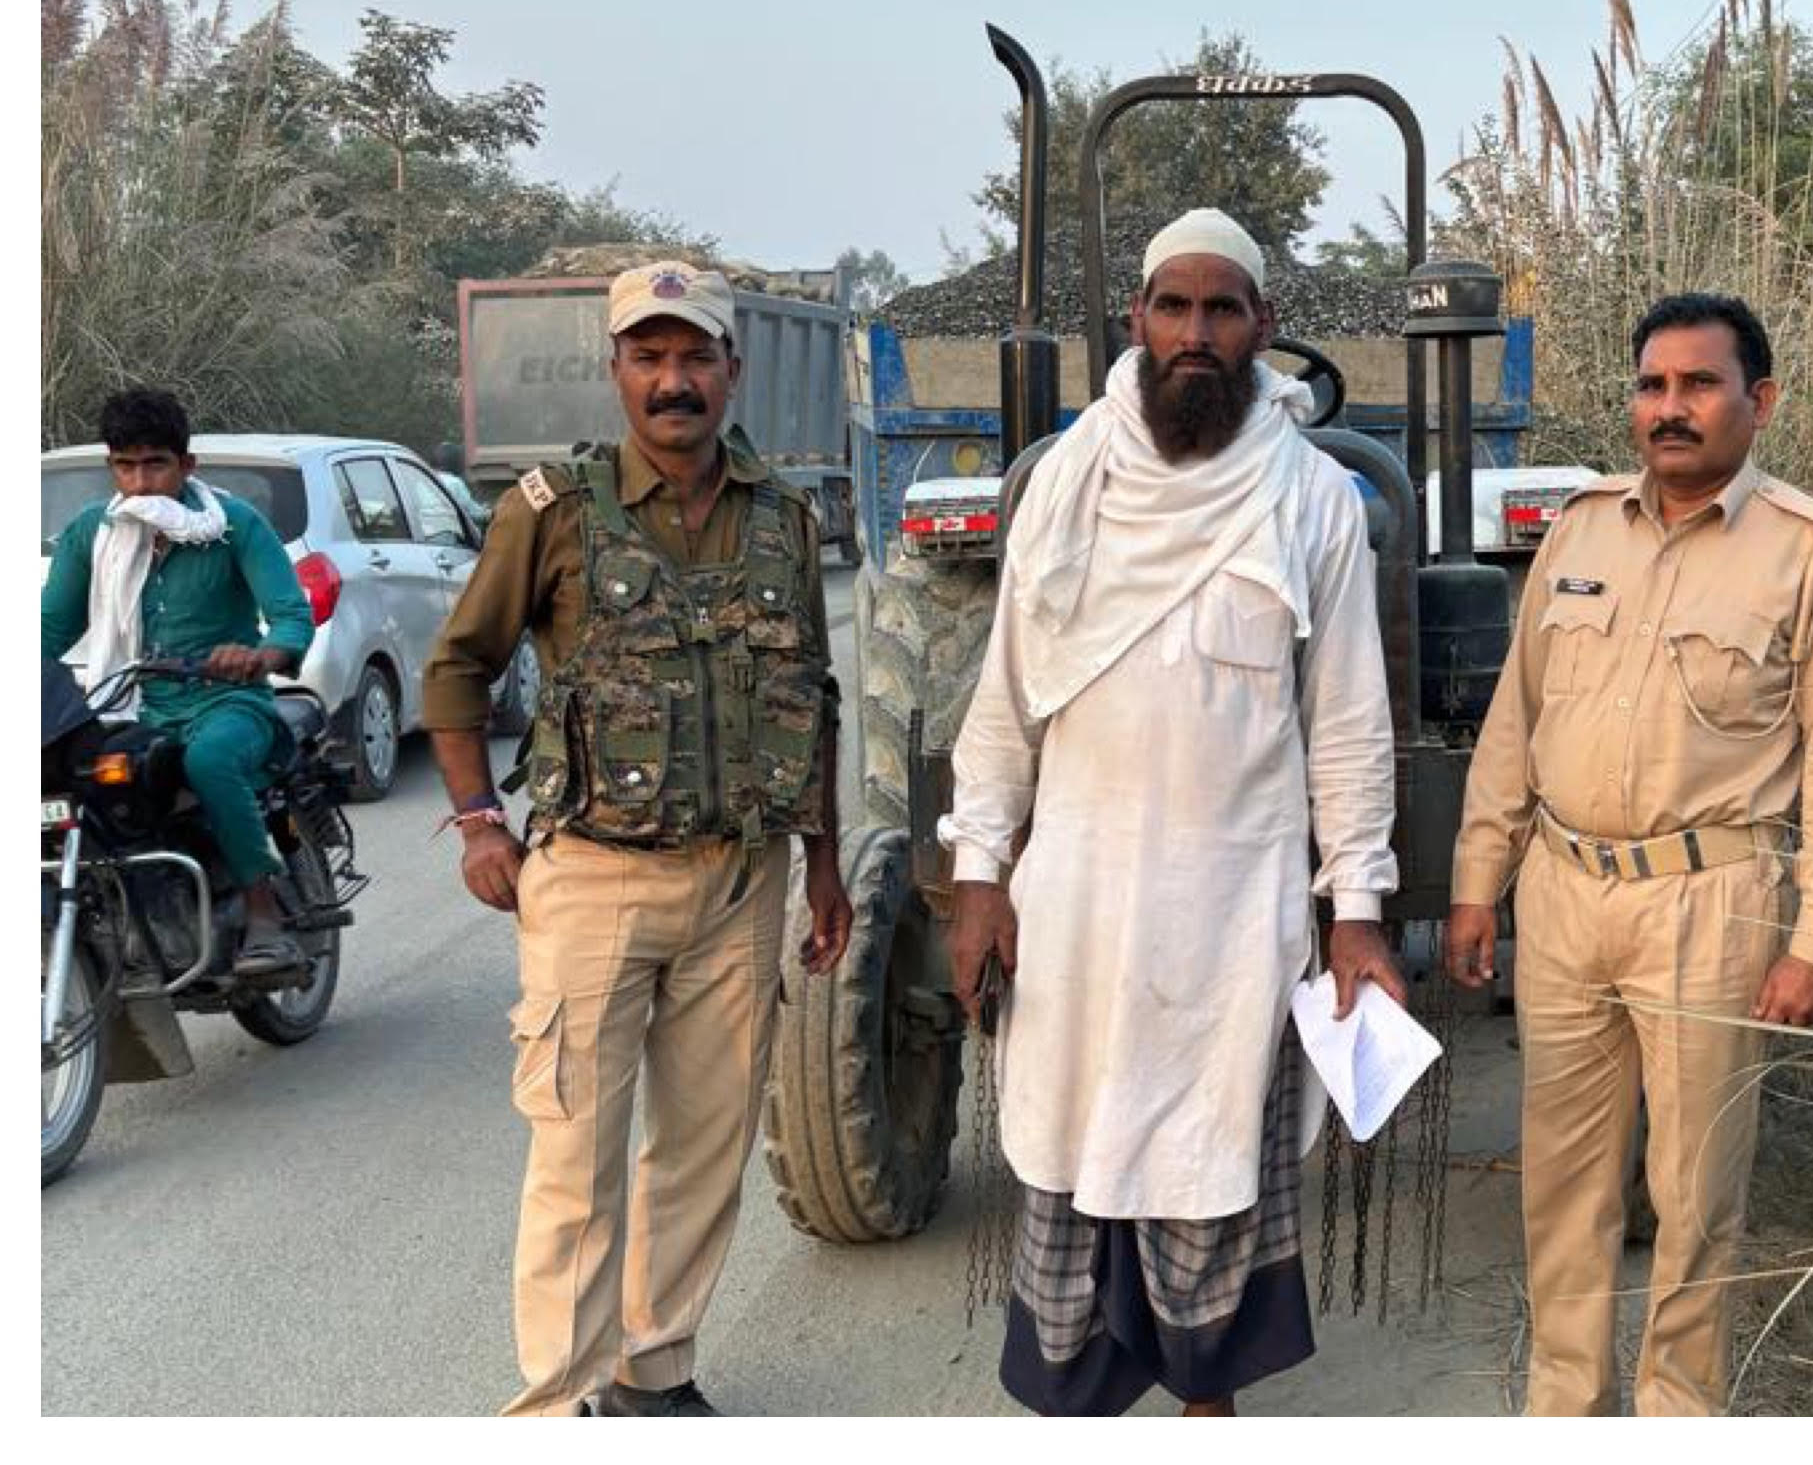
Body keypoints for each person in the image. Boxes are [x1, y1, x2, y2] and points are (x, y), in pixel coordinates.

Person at [941, 208, 1404, 1418]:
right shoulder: (1064, 484)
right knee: (1071, 1160)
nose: (1196, 333)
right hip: (1079, 906)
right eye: (1173, 307)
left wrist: (1356, 911)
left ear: (1263, 327)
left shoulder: (1314, 500)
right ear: (1137, 321)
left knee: (1215, 1171)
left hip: (1232, 909)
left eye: (1223, 309)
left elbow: (1347, 719)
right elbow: (1006, 695)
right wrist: (980, 871)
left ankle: (1209, 1409)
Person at [422, 261, 853, 1419]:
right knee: (577, 1159)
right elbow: (457, 667)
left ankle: (653, 1369)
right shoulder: (553, 510)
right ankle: (557, 1403)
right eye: (650, 357)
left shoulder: (786, 516)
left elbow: (811, 692)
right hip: (595, 878)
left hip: (740, 881)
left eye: (695, 356)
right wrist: (476, 823)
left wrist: (821, 863)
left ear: (731, 368)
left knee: (705, 1150)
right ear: (617, 368)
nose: (675, 381)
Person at [1446, 291, 1813, 1418]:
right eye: (1653, 385)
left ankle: (1679, 1413)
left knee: (1693, 1197)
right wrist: (1475, 884)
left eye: (1699, 384)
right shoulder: (1583, 528)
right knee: (1563, 1185)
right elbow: (1515, 725)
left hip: (1712, 900)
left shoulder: (1811, 551)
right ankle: (1564, 1408)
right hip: (1566, 893)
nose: (1671, 408)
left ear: (1760, 400)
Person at [41, 384, 320, 979]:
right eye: (126, 466)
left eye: (155, 465)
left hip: (228, 702)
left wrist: (259, 657)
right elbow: (48, 631)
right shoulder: (91, 534)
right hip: (126, 703)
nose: (140, 484)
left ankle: (263, 910)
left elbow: (292, 616)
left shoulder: (234, 526)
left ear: (186, 465)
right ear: (110, 467)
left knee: (211, 761)